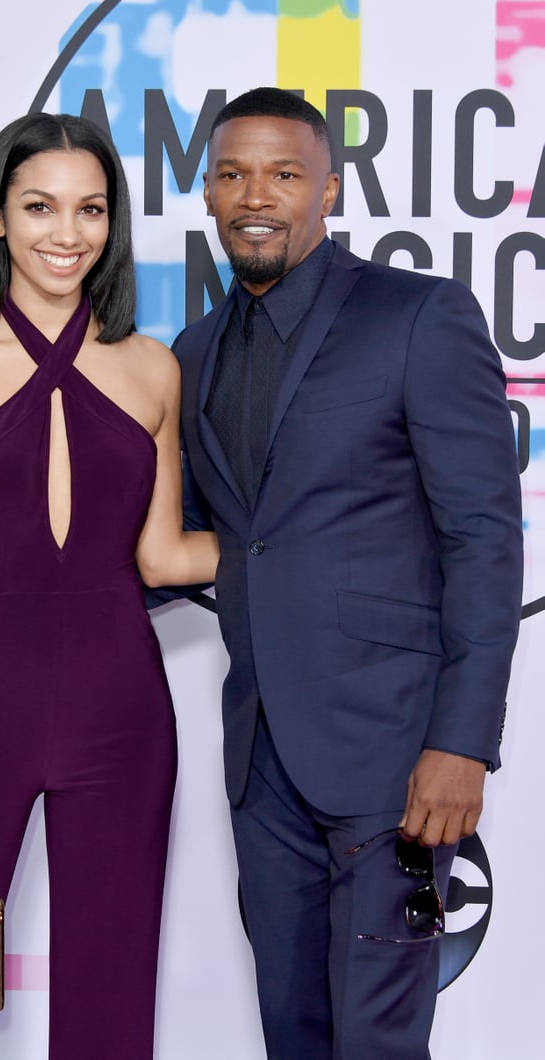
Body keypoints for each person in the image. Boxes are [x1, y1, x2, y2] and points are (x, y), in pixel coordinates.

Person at [169, 87, 522, 1059]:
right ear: (205, 193)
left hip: (393, 755)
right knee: (294, 1033)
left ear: (327, 189)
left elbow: (483, 537)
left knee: (376, 1041)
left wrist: (461, 743)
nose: (256, 196)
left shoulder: (417, 316)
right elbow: (195, 544)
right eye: (233, 173)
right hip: (260, 760)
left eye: (283, 174)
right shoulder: (191, 354)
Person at [0, 112, 218, 1060]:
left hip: (123, 712)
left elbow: (162, 559)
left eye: (91, 209)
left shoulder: (152, 369)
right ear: (1, 219)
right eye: (42, 207)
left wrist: (318, 542)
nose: (69, 233)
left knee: (111, 1002)